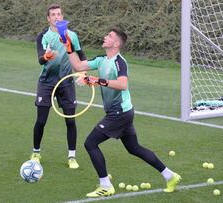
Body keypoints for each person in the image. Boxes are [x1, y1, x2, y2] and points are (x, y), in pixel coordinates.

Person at [61, 27, 181, 197]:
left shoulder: (119, 62)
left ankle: (105, 185)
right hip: (122, 112)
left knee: (90, 143)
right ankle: (170, 175)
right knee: (134, 148)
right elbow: (78, 65)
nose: (104, 36)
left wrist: (97, 80)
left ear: (116, 43)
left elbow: (122, 84)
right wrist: (68, 47)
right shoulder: (102, 59)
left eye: (109, 36)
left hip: (119, 113)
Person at [30, 3, 87, 169]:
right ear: (48, 19)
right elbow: (40, 58)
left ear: (62, 17)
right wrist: (46, 57)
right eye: (53, 15)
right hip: (47, 83)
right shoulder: (43, 37)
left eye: (59, 14)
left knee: (70, 120)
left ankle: (72, 157)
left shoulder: (72, 36)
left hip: (66, 83)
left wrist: (82, 73)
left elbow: (81, 57)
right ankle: (36, 153)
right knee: (41, 120)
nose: (56, 17)